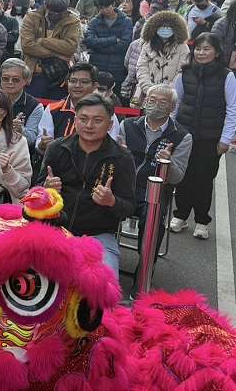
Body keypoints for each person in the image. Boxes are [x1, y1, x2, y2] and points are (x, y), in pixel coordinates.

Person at [39, 94, 135, 278]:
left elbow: (130, 207)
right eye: (83, 119)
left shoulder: (122, 158)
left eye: (97, 120)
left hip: (98, 235)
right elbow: (34, 193)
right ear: (75, 120)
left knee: (104, 288)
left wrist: (111, 201)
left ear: (110, 124)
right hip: (55, 229)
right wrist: (46, 189)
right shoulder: (57, 148)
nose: (89, 125)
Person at [118, 84, 191, 291]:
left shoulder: (182, 136)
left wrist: (167, 164)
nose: (155, 105)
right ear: (143, 101)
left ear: (172, 108)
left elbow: (177, 178)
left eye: (162, 102)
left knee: (152, 217)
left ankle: (144, 272)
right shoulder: (128, 125)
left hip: (155, 190)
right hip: (124, 185)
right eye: (151, 100)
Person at [171, 33, 236, 240]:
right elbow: (176, 104)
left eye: (206, 49)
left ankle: (201, 220)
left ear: (217, 52)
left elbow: (232, 109)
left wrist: (226, 139)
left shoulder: (227, 76)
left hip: (211, 138)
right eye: (198, 48)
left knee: (204, 179)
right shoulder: (184, 73)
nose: (201, 52)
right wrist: (172, 131)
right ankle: (180, 215)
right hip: (185, 136)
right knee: (183, 177)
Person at [37, 63, 119, 152]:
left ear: (95, 86)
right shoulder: (53, 109)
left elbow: (111, 147)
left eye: (84, 82)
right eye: (73, 81)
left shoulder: (106, 112)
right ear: (67, 83)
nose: (77, 85)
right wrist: (42, 145)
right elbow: (40, 144)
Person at [21, 0, 81, 100]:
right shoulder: (32, 17)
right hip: (35, 72)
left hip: (61, 75)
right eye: (52, 11)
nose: (55, 15)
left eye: (60, 12)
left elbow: (70, 47)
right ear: (45, 5)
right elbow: (27, 46)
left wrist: (42, 41)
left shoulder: (73, 20)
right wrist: (56, 54)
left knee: (56, 110)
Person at [135, 10, 190, 106]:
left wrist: (166, 92)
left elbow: (182, 72)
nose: (165, 29)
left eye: (169, 27)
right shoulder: (147, 45)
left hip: (171, 97)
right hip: (148, 95)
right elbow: (141, 68)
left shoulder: (182, 48)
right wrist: (149, 89)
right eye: (162, 26)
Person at [83, 0, 133, 90]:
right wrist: (113, 40)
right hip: (97, 66)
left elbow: (124, 44)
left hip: (117, 68)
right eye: (101, 8)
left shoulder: (126, 22)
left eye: (107, 7)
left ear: (113, 4)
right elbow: (89, 41)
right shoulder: (94, 22)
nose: (104, 10)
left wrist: (99, 46)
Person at [0, 58, 43, 149]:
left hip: (19, 153)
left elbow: (32, 140)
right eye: (5, 79)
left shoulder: (35, 106)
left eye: (15, 80)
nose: (10, 82)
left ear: (25, 81)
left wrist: (20, 130)